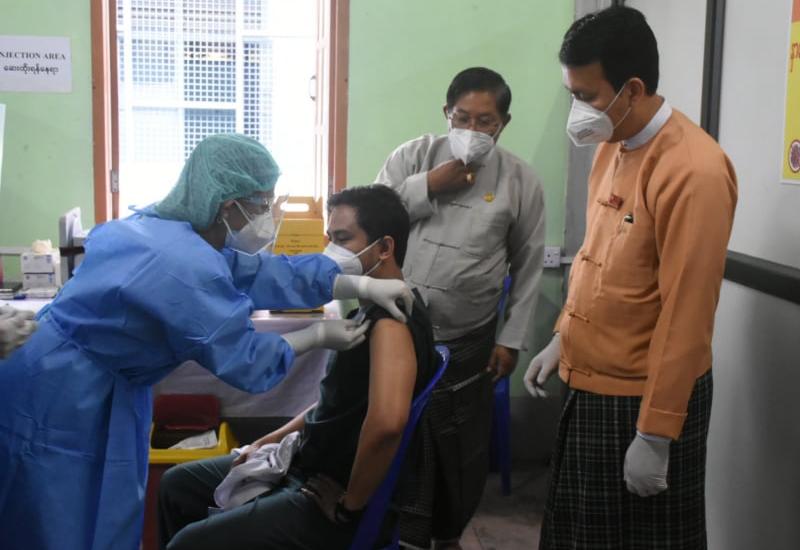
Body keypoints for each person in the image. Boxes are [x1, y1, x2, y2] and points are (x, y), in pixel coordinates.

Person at [0, 134, 414, 550]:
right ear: (226, 205)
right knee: (56, 518)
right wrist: (316, 334)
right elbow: (246, 359)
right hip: (57, 396)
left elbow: (264, 273)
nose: (269, 215)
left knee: (97, 508)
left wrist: (356, 284)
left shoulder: (179, 235)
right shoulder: (181, 262)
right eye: (262, 204)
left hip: (86, 382)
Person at [524, 7, 737, 550]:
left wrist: (656, 432)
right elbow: (597, 259)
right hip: (590, 384)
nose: (578, 110)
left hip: (643, 398)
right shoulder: (612, 145)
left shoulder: (694, 170)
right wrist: (562, 336)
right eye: (571, 93)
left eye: (587, 95)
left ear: (633, 89)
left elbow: (687, 315)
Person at [158, 184, 436, 550]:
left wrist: (350, 507)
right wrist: (266, 441)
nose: (331, 251)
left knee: (188, 544)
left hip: (325, 494)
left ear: (384, 248)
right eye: (329, 238)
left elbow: (387, 423)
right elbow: (335, 401)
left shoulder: (391, 323)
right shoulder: (370, 308)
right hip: (304, 461)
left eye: (343, 239)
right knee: (176, 485)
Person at [375, 67, 546, 547]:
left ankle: (448, 534)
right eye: (462, 117)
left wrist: (511, 340)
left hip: (470, 338)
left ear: (503, 123)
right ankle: (399, 533)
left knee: (459, 449)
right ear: (446, 113)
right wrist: (428, 184)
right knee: (397, 437)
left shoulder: (519, 179)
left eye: (485, 121)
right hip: (400, 329)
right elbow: (373, 223)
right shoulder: (413, 156)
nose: (472, 130)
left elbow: (529, 263)